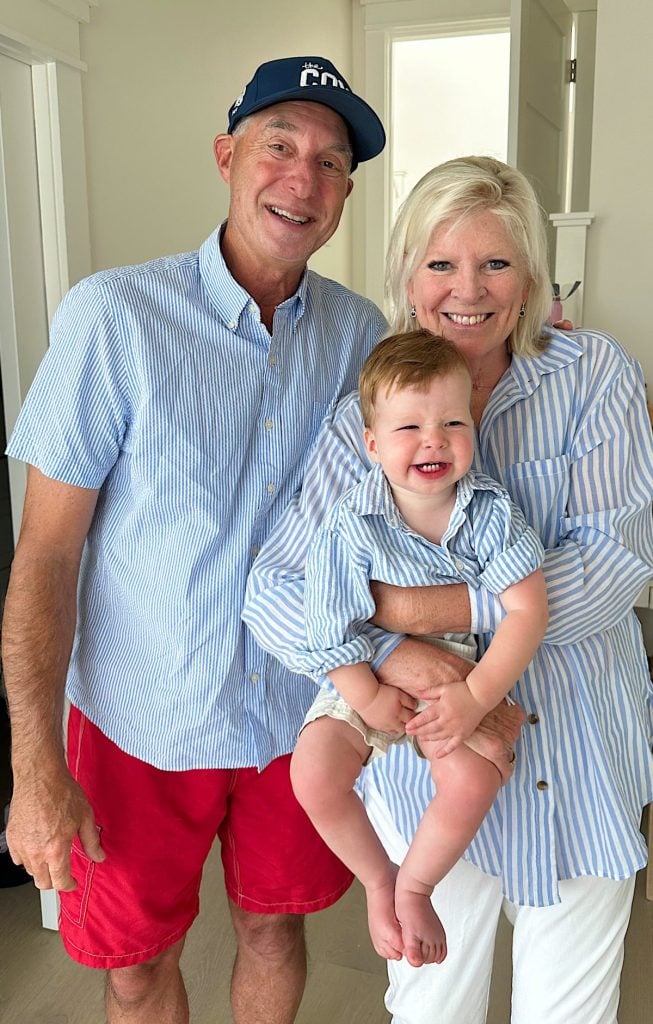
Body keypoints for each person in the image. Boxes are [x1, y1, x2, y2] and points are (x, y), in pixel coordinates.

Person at [1, 56, 388, 1024]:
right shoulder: (114, 317)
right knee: (133, 962)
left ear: (344, 192)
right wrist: (34, 765)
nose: (301, 179)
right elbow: (45, 555)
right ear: (226, 156)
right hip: (139, 721)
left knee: (274, 927)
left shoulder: (357, 334)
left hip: (291, 716)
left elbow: (379, 530)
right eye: (278, 146)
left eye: (330, 162)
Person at [242, 156, 653, 1023]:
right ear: (406, 276)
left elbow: (614, 565)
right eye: (440, 264)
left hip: (573, 760)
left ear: (532, 278)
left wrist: (407, 609)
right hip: (422, 769)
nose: (467, 289)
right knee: (432, 1009)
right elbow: (273, 587)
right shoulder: (362, 411)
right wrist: (402, 657)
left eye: (495, 263)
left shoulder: (595, 376)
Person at [267, 329, 548, 969]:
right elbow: (327, 622)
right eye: (408, 427)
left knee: (472, 776)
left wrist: (476, 697)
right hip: (362, 667)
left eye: (453, 420)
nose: (434, 439)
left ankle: (415, 887)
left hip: (459, 673)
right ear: (370, 445)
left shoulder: (490, 513)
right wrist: (364, 693)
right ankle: (378, 880)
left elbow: (528, 611)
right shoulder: (352, 519)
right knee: (312, 771)